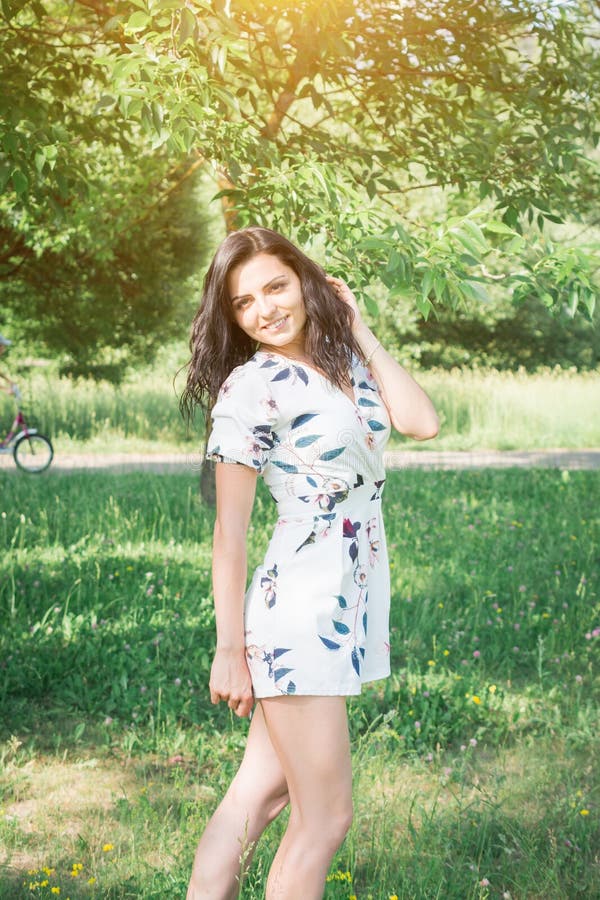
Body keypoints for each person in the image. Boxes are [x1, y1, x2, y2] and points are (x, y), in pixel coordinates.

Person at [180, 227, 439, 900]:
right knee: (324, 818)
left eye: (275, 285)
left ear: (305, 282)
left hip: (338, 601)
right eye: (244, 302)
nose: (264, 309)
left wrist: (361, 328)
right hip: (298, 612)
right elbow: (228, 535)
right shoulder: (251, 388)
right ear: (231, 317)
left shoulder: (343, 358)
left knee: (258, 798)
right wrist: (228, 649)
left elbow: (421, 422)